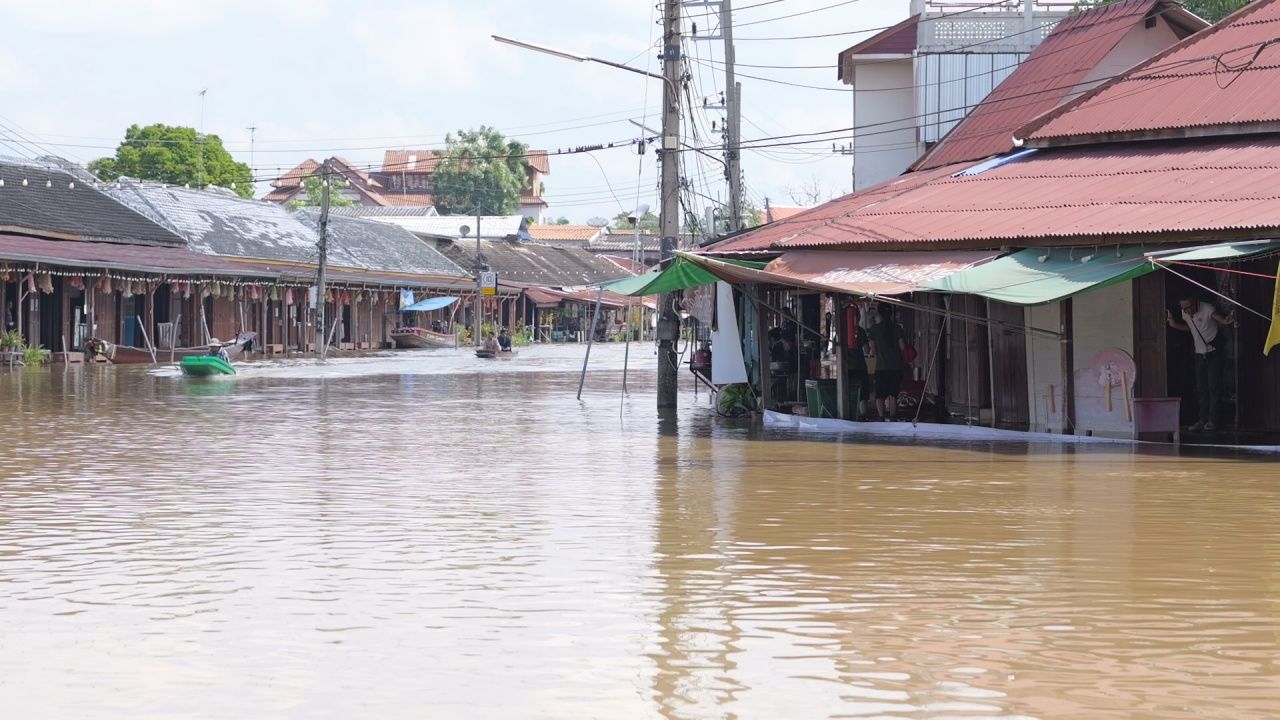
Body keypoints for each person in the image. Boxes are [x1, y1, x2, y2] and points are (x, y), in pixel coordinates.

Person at [1167, 294, 1234, 431]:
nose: (1187, 311)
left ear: (1195, 302)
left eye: (1189, 307)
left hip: (1213, 353)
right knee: (1201, 389)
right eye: (1184, 308)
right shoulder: (1185, 313)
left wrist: (1225, 320)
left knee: (1214, 388)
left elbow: (1218, 318)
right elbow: (1191, 328)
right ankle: (1202, 420)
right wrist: (1174, 325)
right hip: (1199, 355)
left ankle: (1213, 421)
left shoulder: (1207, 308)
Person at [869, 304, 906, 421]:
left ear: (878, 314)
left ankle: (881, 418)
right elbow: (903, 347)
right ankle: (893, 418)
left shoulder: (874, 329)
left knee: (880, 395)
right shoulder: (897, 328)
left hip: (881, 367)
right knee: (893, 395)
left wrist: (880, 356)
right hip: (896, 367)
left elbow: (873, 350)